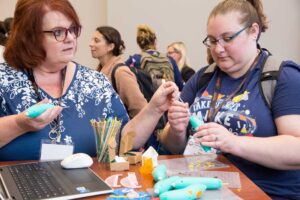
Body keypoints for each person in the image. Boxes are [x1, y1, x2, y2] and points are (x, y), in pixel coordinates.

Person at [0, 0, 178, 161]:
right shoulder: (4, 80)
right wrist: (18, 124)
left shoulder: (95, 83)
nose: (70, 38)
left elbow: (124, 138)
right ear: (29, 37)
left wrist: (154, 109)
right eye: (58, 32)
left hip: (86, 190)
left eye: (73, 29)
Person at [160, 0, 300, 199]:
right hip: (203, 188)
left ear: (253, 31)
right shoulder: (203, 77)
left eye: (227, 38)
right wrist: (176, 129)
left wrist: (234, 143)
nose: (218, 49)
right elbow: (172, 145)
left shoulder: (282, 77)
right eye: (213, 41)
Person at [89, 26, 147, 119]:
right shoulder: (100, 70)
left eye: (96, 41)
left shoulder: (120, 72)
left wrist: (129, 131)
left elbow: (140, 109)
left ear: (110, 46)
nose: (90, 44)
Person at [125, 24, 184, 91]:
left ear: (139, 43)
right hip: (168, 98)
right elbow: (180, 86)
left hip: (147, 100)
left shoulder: (134, 60)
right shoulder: (169, 60)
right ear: (155, 41)